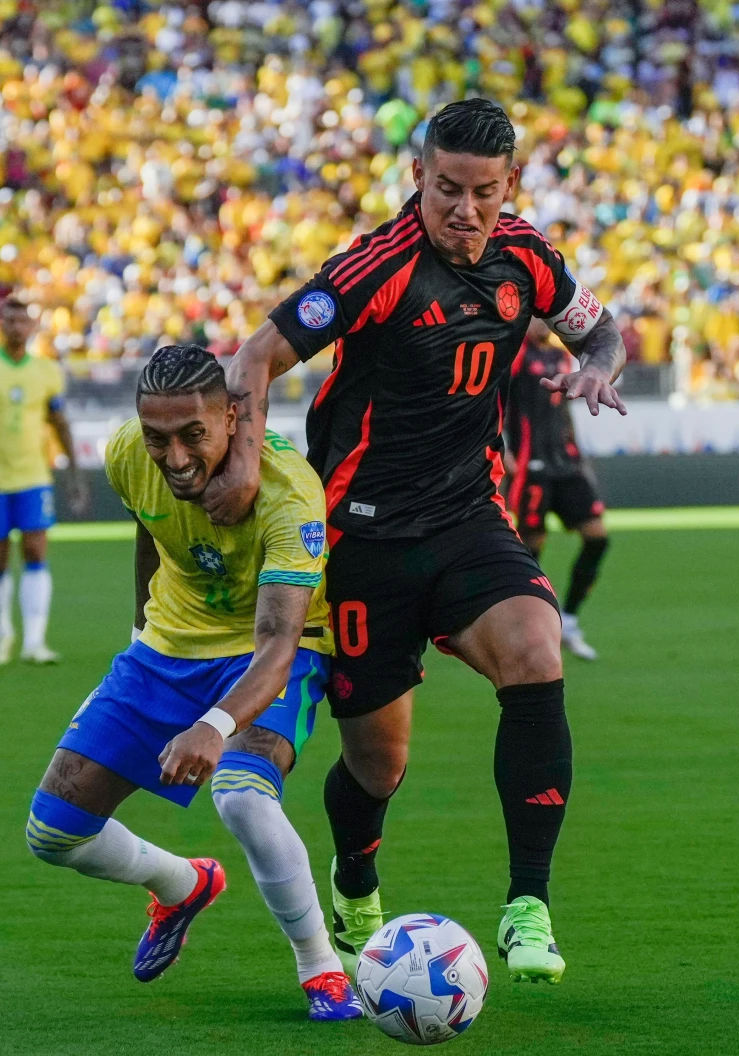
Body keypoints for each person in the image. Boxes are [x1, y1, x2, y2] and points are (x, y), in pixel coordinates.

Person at [205, 98, 628, 984]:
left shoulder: (530, 257)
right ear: (417, 180)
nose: (463, 210)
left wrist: (598, 362)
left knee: (536, 649)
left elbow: (600, 325)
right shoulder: (376, 267)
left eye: (482, 192)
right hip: (362, 542)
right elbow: (252, 357)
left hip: (470, 518)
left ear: (510, 185)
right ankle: (355, 875)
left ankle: (528, 904)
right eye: (446, 190)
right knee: (379, 763)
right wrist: (246, 471)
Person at [24, 345, 361, 1021]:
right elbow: (151, 531)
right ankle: (182, 884)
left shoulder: (290, 494)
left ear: (234, 417)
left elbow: (278, 645)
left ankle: (320, 967)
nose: (174, 458)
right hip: (166, 648)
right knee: (54, 832)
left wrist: (213, 726)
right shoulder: (127, 454)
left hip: (270, 653)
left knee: (241, 797)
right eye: (158, 439)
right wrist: (137, 634)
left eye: (192, 436)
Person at [0, 290, 87, 666]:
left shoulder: (47, 371)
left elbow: (60, 423)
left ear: (32, 326)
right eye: (8, 320)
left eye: (22, 320)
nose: (15, 326)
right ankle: (1, 632)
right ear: (0, 325)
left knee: (35, 551)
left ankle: (35, 640)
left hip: (34, 475)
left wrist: (74, 472)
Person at [505, 321, 611, 661]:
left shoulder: (561, 357)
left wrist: (578, 454)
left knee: (597, 536)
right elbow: (494, 402)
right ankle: (526, 626)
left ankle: (569, 618)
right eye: (538, 316)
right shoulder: (512, 354)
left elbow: (563, 409)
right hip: (529, 463)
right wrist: (501, 448)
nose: (544, 322)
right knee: (531, 547)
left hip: (566, 462)